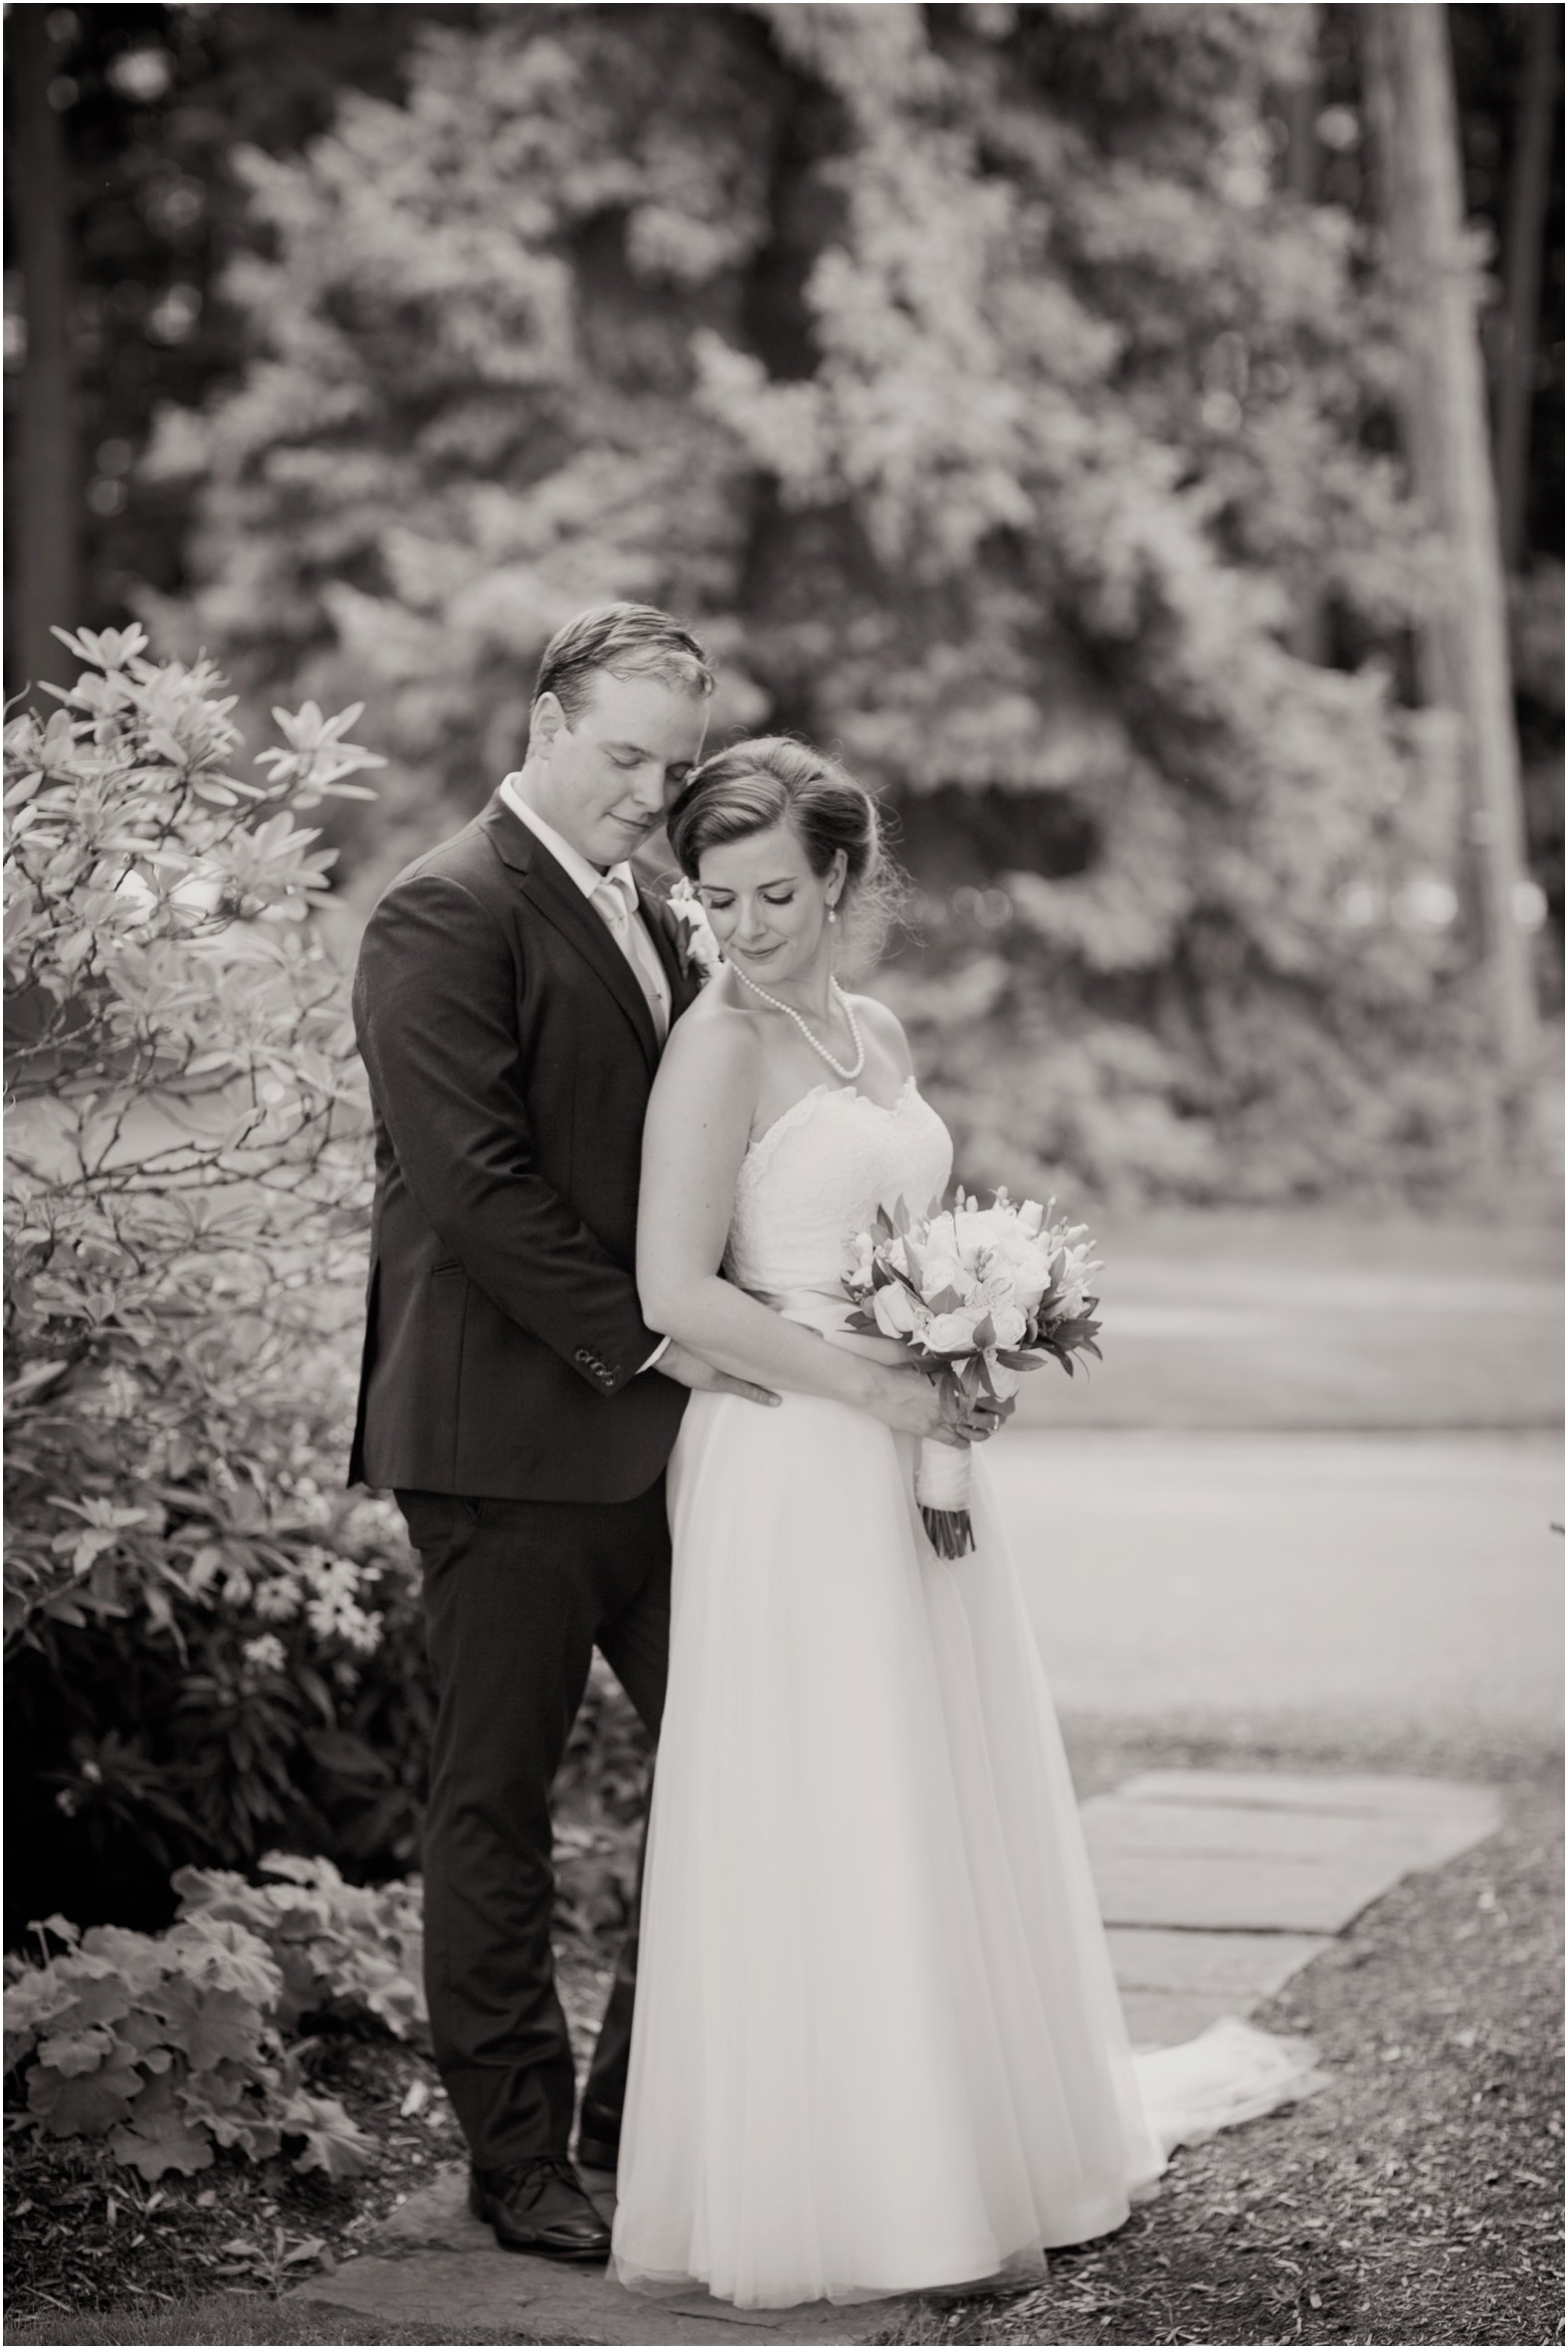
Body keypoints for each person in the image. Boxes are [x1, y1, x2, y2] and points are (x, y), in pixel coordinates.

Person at [612, 737, 1318, 2310]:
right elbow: (673, 1293)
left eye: (778, 891)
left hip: (910, 1444)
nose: (745, 925)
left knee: (935, 1777)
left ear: (847, 877)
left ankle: (975, 2135)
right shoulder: (716, 1048)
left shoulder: (872, 1025)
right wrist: (879, 1389)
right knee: (835, 1791)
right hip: (792, 1453)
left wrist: (966, 1340)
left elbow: (902, 1241)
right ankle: (859, 2186)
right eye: (717, 896)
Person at [349, 610, 997, 2264]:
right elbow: (474, 1185)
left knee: (729, 1767)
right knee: (491, 1799)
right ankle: (521, 2158)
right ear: (547, 721)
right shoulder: (444, 908)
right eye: (621, 755)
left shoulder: (662, 906)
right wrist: (662, 1336)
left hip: (677, 1442)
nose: (651, 791)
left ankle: (656, 2117)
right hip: (504, 1438)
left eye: (670, 761)